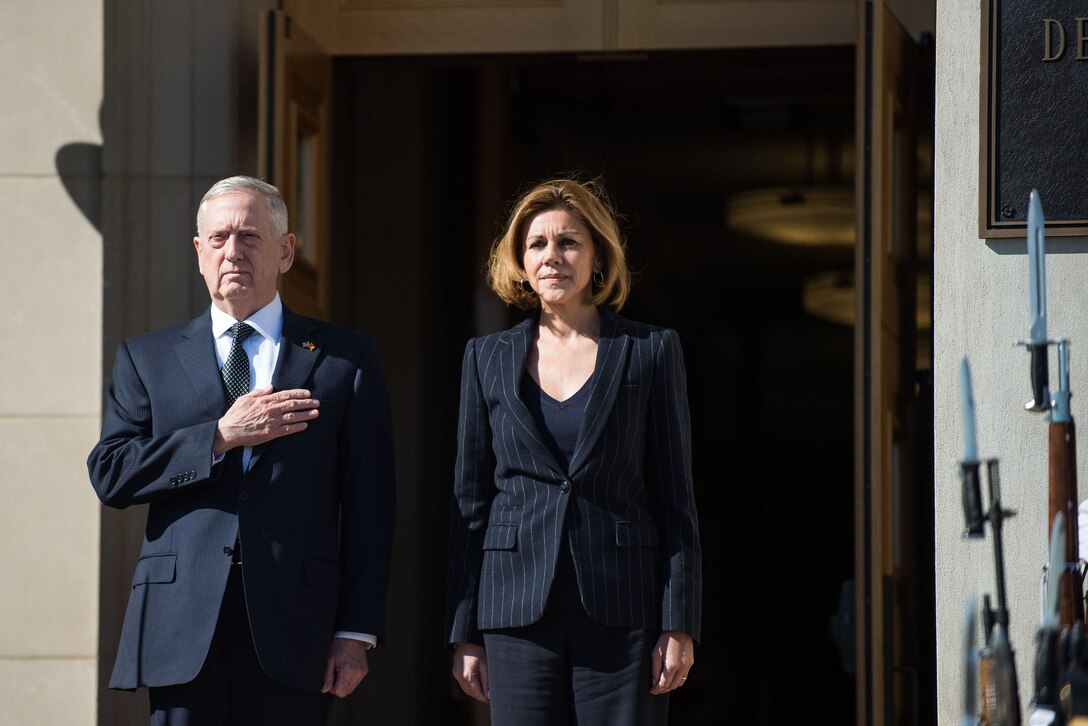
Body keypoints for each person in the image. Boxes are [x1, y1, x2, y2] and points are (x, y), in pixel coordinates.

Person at [87, 176, 396, 726]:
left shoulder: (344, 359)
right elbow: (111, 473)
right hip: (181, 627)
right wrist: (219, 436)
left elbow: (371, 506)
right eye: (220, 237)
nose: (233, 251)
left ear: (286, 251)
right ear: (199, 252)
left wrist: (355, 632)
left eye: (250, 237)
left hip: (295, 627)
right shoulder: (146, 358)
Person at [446, 178, 702, 725]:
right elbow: (470, 503)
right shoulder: (485, 358)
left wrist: (678, 621)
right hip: (515, 610)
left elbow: (675, 496)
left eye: (569, 242)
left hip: (623, 608)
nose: (552, 257)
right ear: (519, 259)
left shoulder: (650, 352)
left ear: (598, 256)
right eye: (536, 244)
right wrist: (464, 630)